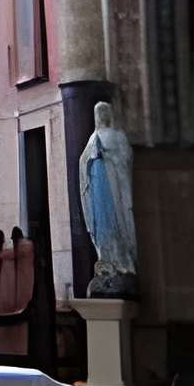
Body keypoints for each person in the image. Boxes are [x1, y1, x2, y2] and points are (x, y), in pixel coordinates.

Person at [78, 100, 137, 292]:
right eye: (99, 112)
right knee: (102, 227)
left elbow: (126, 159)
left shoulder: (118, 136)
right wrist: (92, 157)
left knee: (118, 224)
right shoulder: (93, 137)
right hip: (98, 189)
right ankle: (106, 264)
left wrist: (108, 155)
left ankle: (123, 264)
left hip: (114, 187)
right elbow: (83, 162)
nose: (102, 115)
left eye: (104, 111)